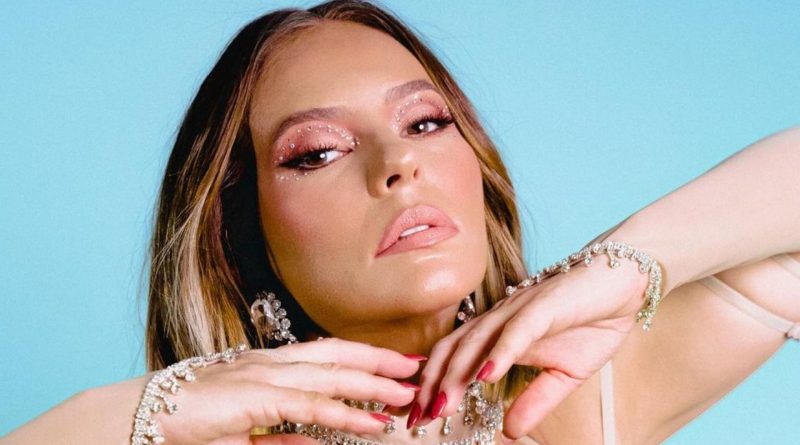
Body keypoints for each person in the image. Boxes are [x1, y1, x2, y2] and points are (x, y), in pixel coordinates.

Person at [3, 1, 799, 444]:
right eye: (317, 152)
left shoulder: (573, 402)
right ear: (238, 241)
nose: (399, 162)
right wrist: (154, 411)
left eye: (425, 122)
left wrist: (624, 263)